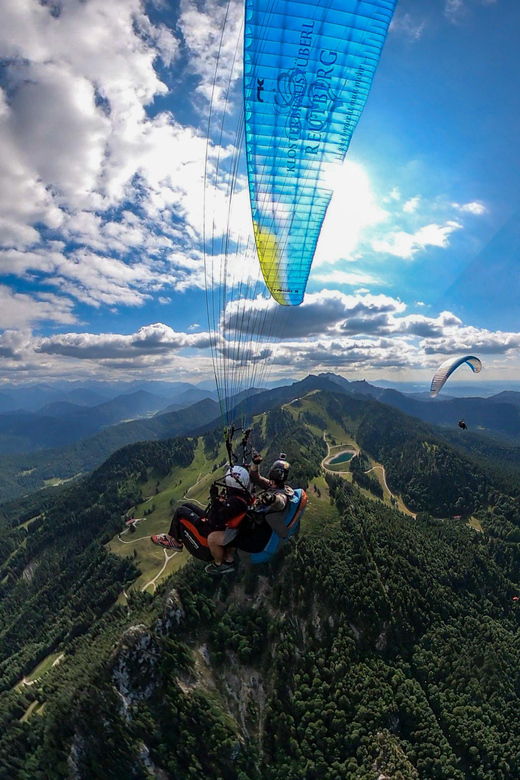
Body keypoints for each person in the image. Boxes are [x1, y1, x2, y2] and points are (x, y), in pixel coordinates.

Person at [151, 465, 253, 575]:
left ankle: (174, 541)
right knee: (187, 505)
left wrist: (215, 500)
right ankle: (174, 538)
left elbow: (215, 520)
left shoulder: (234, 504)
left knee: (181, 512)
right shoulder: (241, 498)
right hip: (221, 526)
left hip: (210, 531)